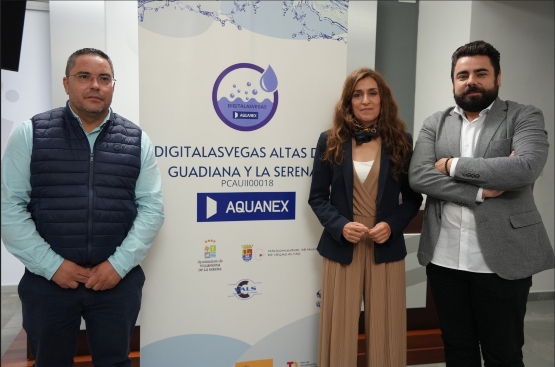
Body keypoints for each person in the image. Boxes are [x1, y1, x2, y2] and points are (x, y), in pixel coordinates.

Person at [1, 48, 165, 367]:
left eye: (104, 78)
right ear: (66, 83)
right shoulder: (30, 134)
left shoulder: (137, 140)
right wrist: (52, 266)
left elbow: (152, 209)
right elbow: (9, 208)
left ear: (112, 86)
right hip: (48, 283)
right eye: (84, 77)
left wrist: (118, 265)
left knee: (115, 362)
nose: (95, 85)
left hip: (116, 282)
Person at [409, 40, 554, 367]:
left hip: (503, 261)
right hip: (445, 261)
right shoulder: (436, 122)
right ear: (454, 82)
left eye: (480, 73)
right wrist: (479, 190)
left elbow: (525, 168)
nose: (471, 80)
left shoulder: (522, 116)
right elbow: (418, 177)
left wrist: (451, 166)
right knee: (457, 349)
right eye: (462, 75)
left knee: (503, 352)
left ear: (498, 77)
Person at [308, 67, 423, 366]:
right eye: (358, 95)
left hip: (385, 246)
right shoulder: (329, 140)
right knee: (339, 333)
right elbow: (317, 197)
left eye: (373, 93)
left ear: (383, 99)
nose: (366, 100)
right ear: (348, 102)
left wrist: (392, 226)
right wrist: (341, 226)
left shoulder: (402, 141)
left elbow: (413, 198)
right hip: (342, 246)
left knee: (387, 333)